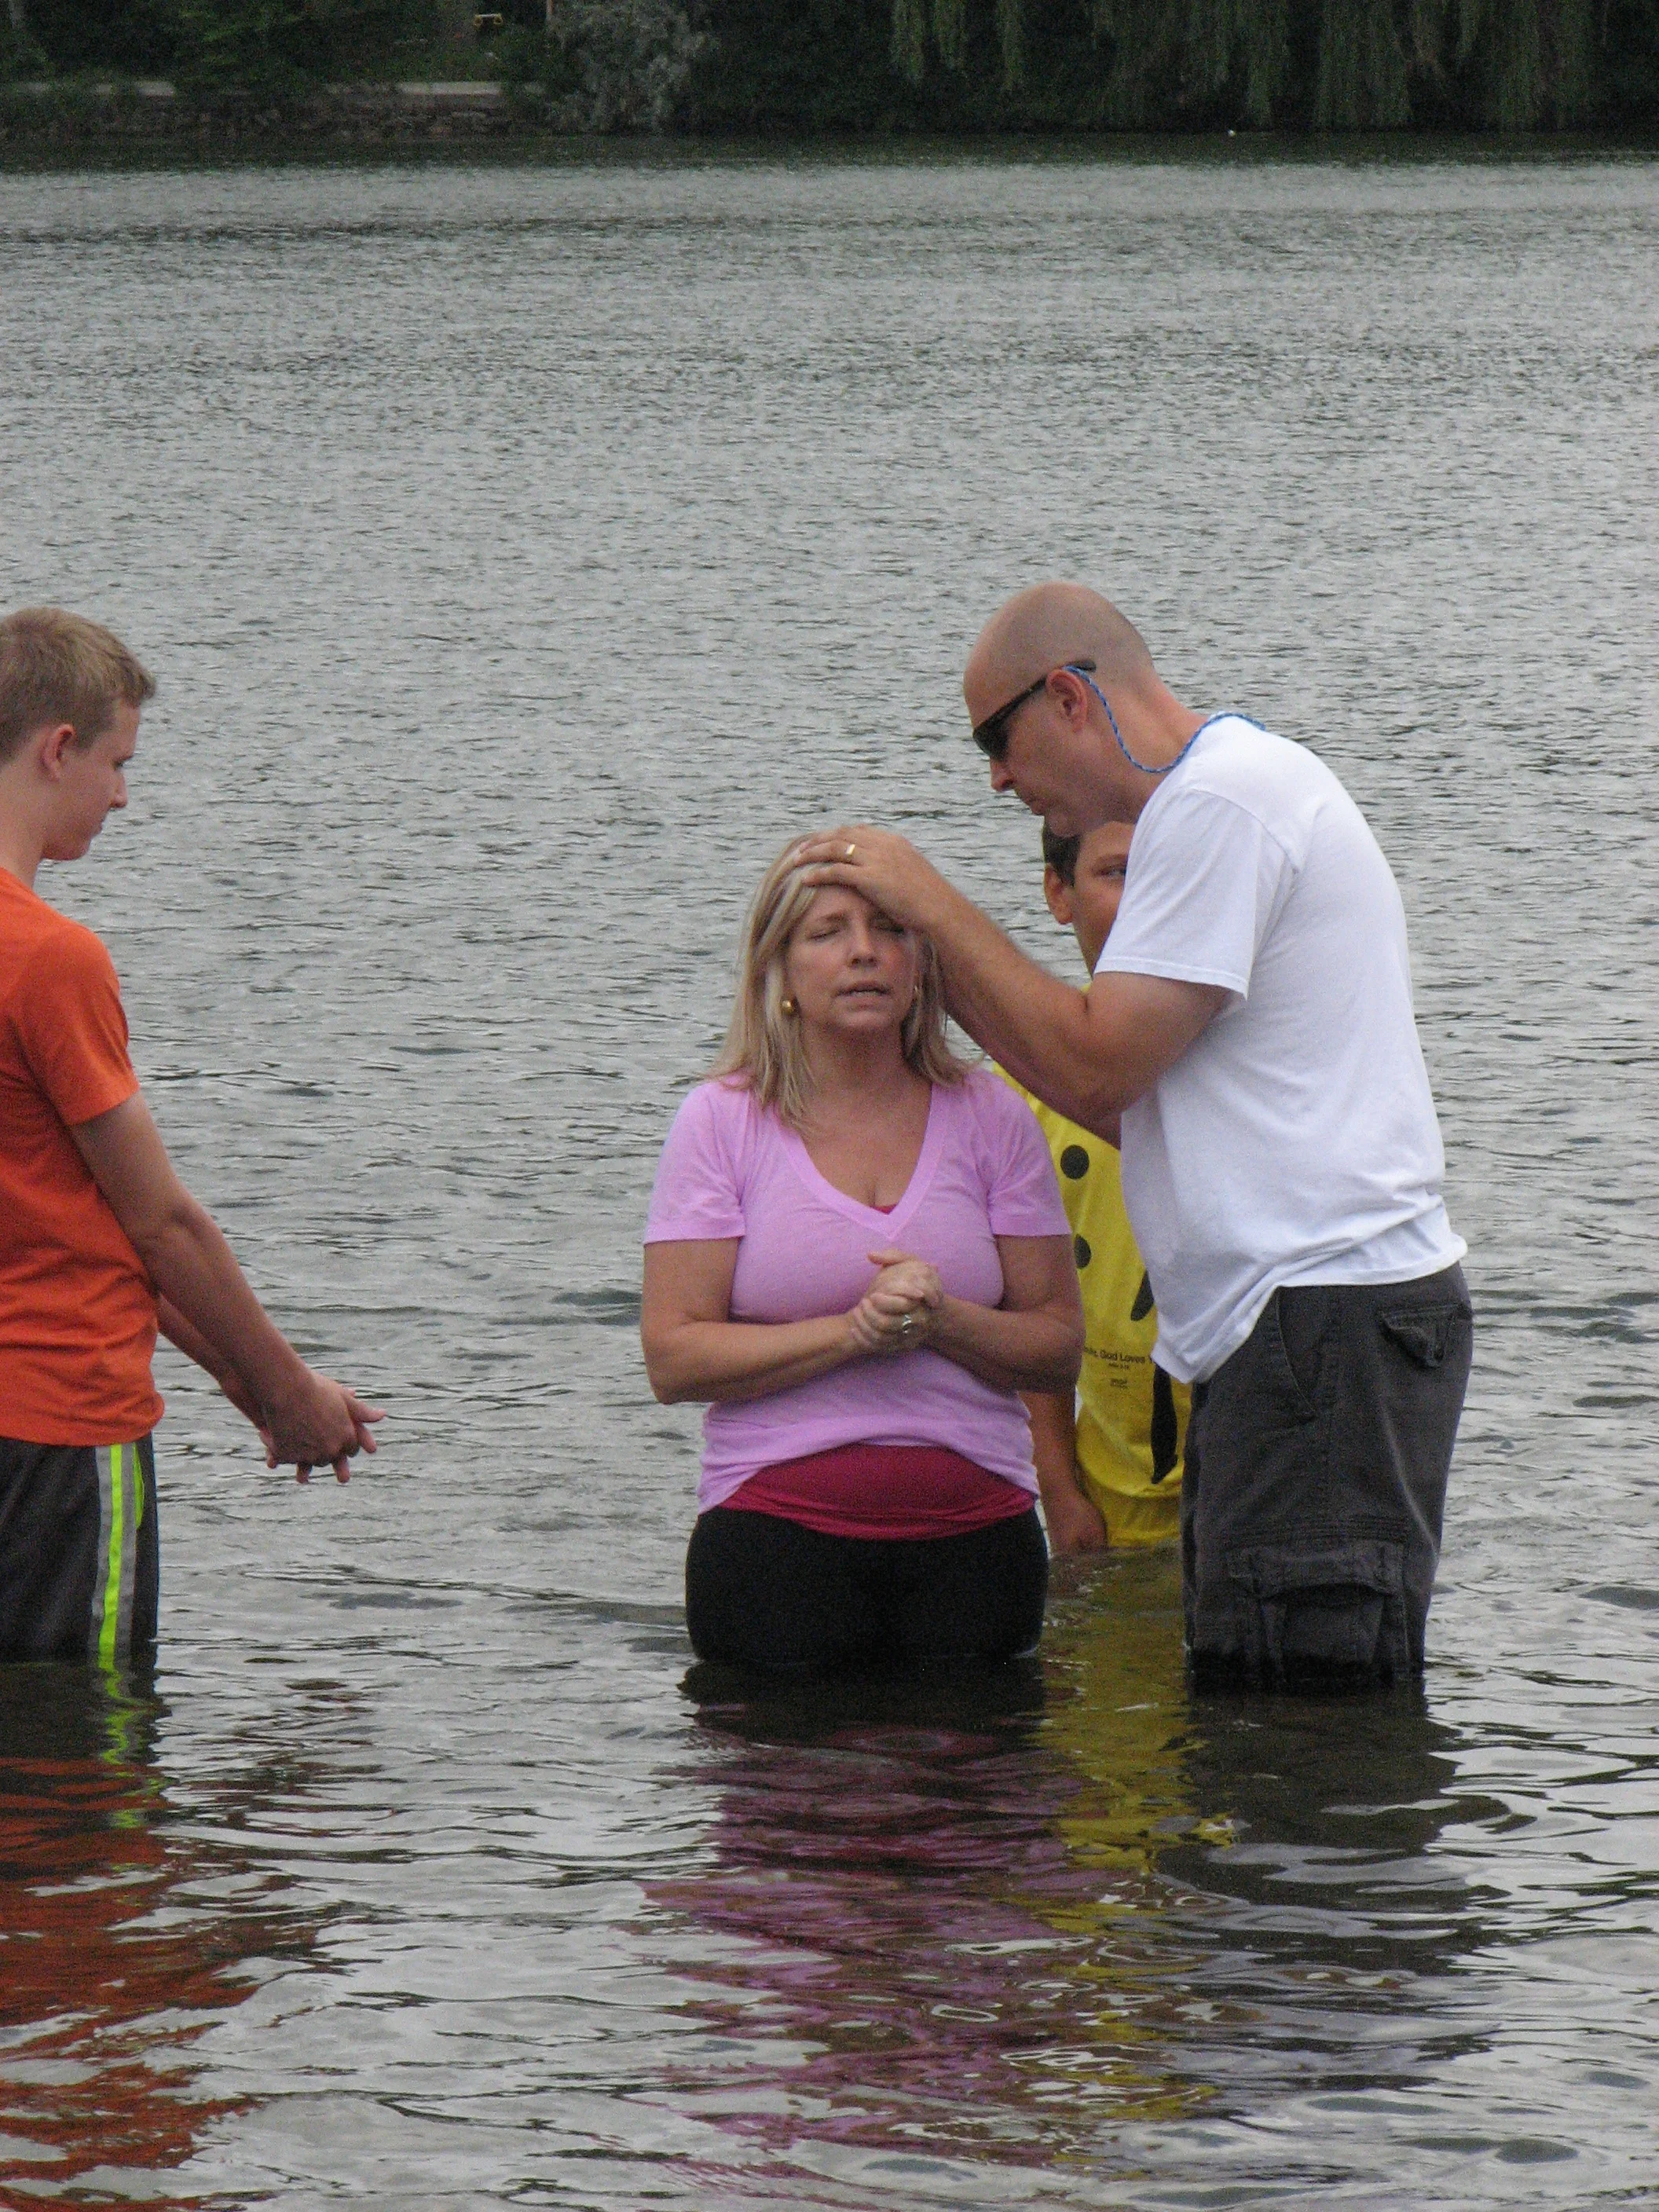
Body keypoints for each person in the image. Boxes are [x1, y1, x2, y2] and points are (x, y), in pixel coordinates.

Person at [796, 582, 1471, 1688]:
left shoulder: (1221, 805)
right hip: (1303, 1332)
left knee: (1297, 1740)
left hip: (1321, 1324)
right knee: (1259, 1706)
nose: (998, 778)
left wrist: (931, 906)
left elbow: (1092, 1062)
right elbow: (1118, 1104)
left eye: (996, 742)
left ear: (1066, 697)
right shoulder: (1228, 799)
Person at [0, 607, 383, 1669]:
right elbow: (158, 1225)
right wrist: (292, 1393)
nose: (123, 794)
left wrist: (249, 1387)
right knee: (91, 1762)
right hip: (59, 1429)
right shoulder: (48, 959)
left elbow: (76, 1219)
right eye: (119, 762)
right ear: (58, 748)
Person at [639, 837, 1083, 1673]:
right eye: (828, 932)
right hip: (772, 1545)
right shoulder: (720, 1121)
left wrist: (940, 1320)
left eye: (890, 928)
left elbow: (1058, 1348)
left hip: (979, 1546)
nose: (864, 953)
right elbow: (675, 1356)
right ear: (779, 973)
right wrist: (854, 1332)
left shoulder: (993, 1115)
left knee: (979, 1803)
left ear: (923, 963)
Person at [1003, 820, 1189, 1555]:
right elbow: (1026, 1303)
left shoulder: (1248, 1063)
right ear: (1060, 891)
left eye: (1164, 872)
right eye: (1115, 873)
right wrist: (1059, 1487)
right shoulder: (1023, 1092)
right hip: (1107, 1496)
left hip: (1252, 1478)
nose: (1144, 898)